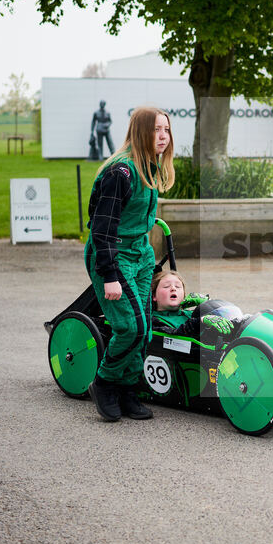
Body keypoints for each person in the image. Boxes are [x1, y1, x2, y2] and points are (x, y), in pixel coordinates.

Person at [85, 106, 175, 422]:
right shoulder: (120, 173)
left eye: (166, 129)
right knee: (129, 326)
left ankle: (127, 390)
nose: (163, 136)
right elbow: (102, 228)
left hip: (141, 253)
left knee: (145, 328)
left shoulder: (151, 167)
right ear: (140, 132)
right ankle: (105, 382)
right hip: (113, 255)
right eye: (156, 130)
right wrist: (109, 274)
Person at [150, 270, 234, 339]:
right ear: (154, 296)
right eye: (166, 286)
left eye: (178, 286)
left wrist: (208, 303)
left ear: (184, 295)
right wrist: (200, 322)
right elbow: (174, 335)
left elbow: (227, 322)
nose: (173, 288)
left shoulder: (192, 314)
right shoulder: (152, 320)